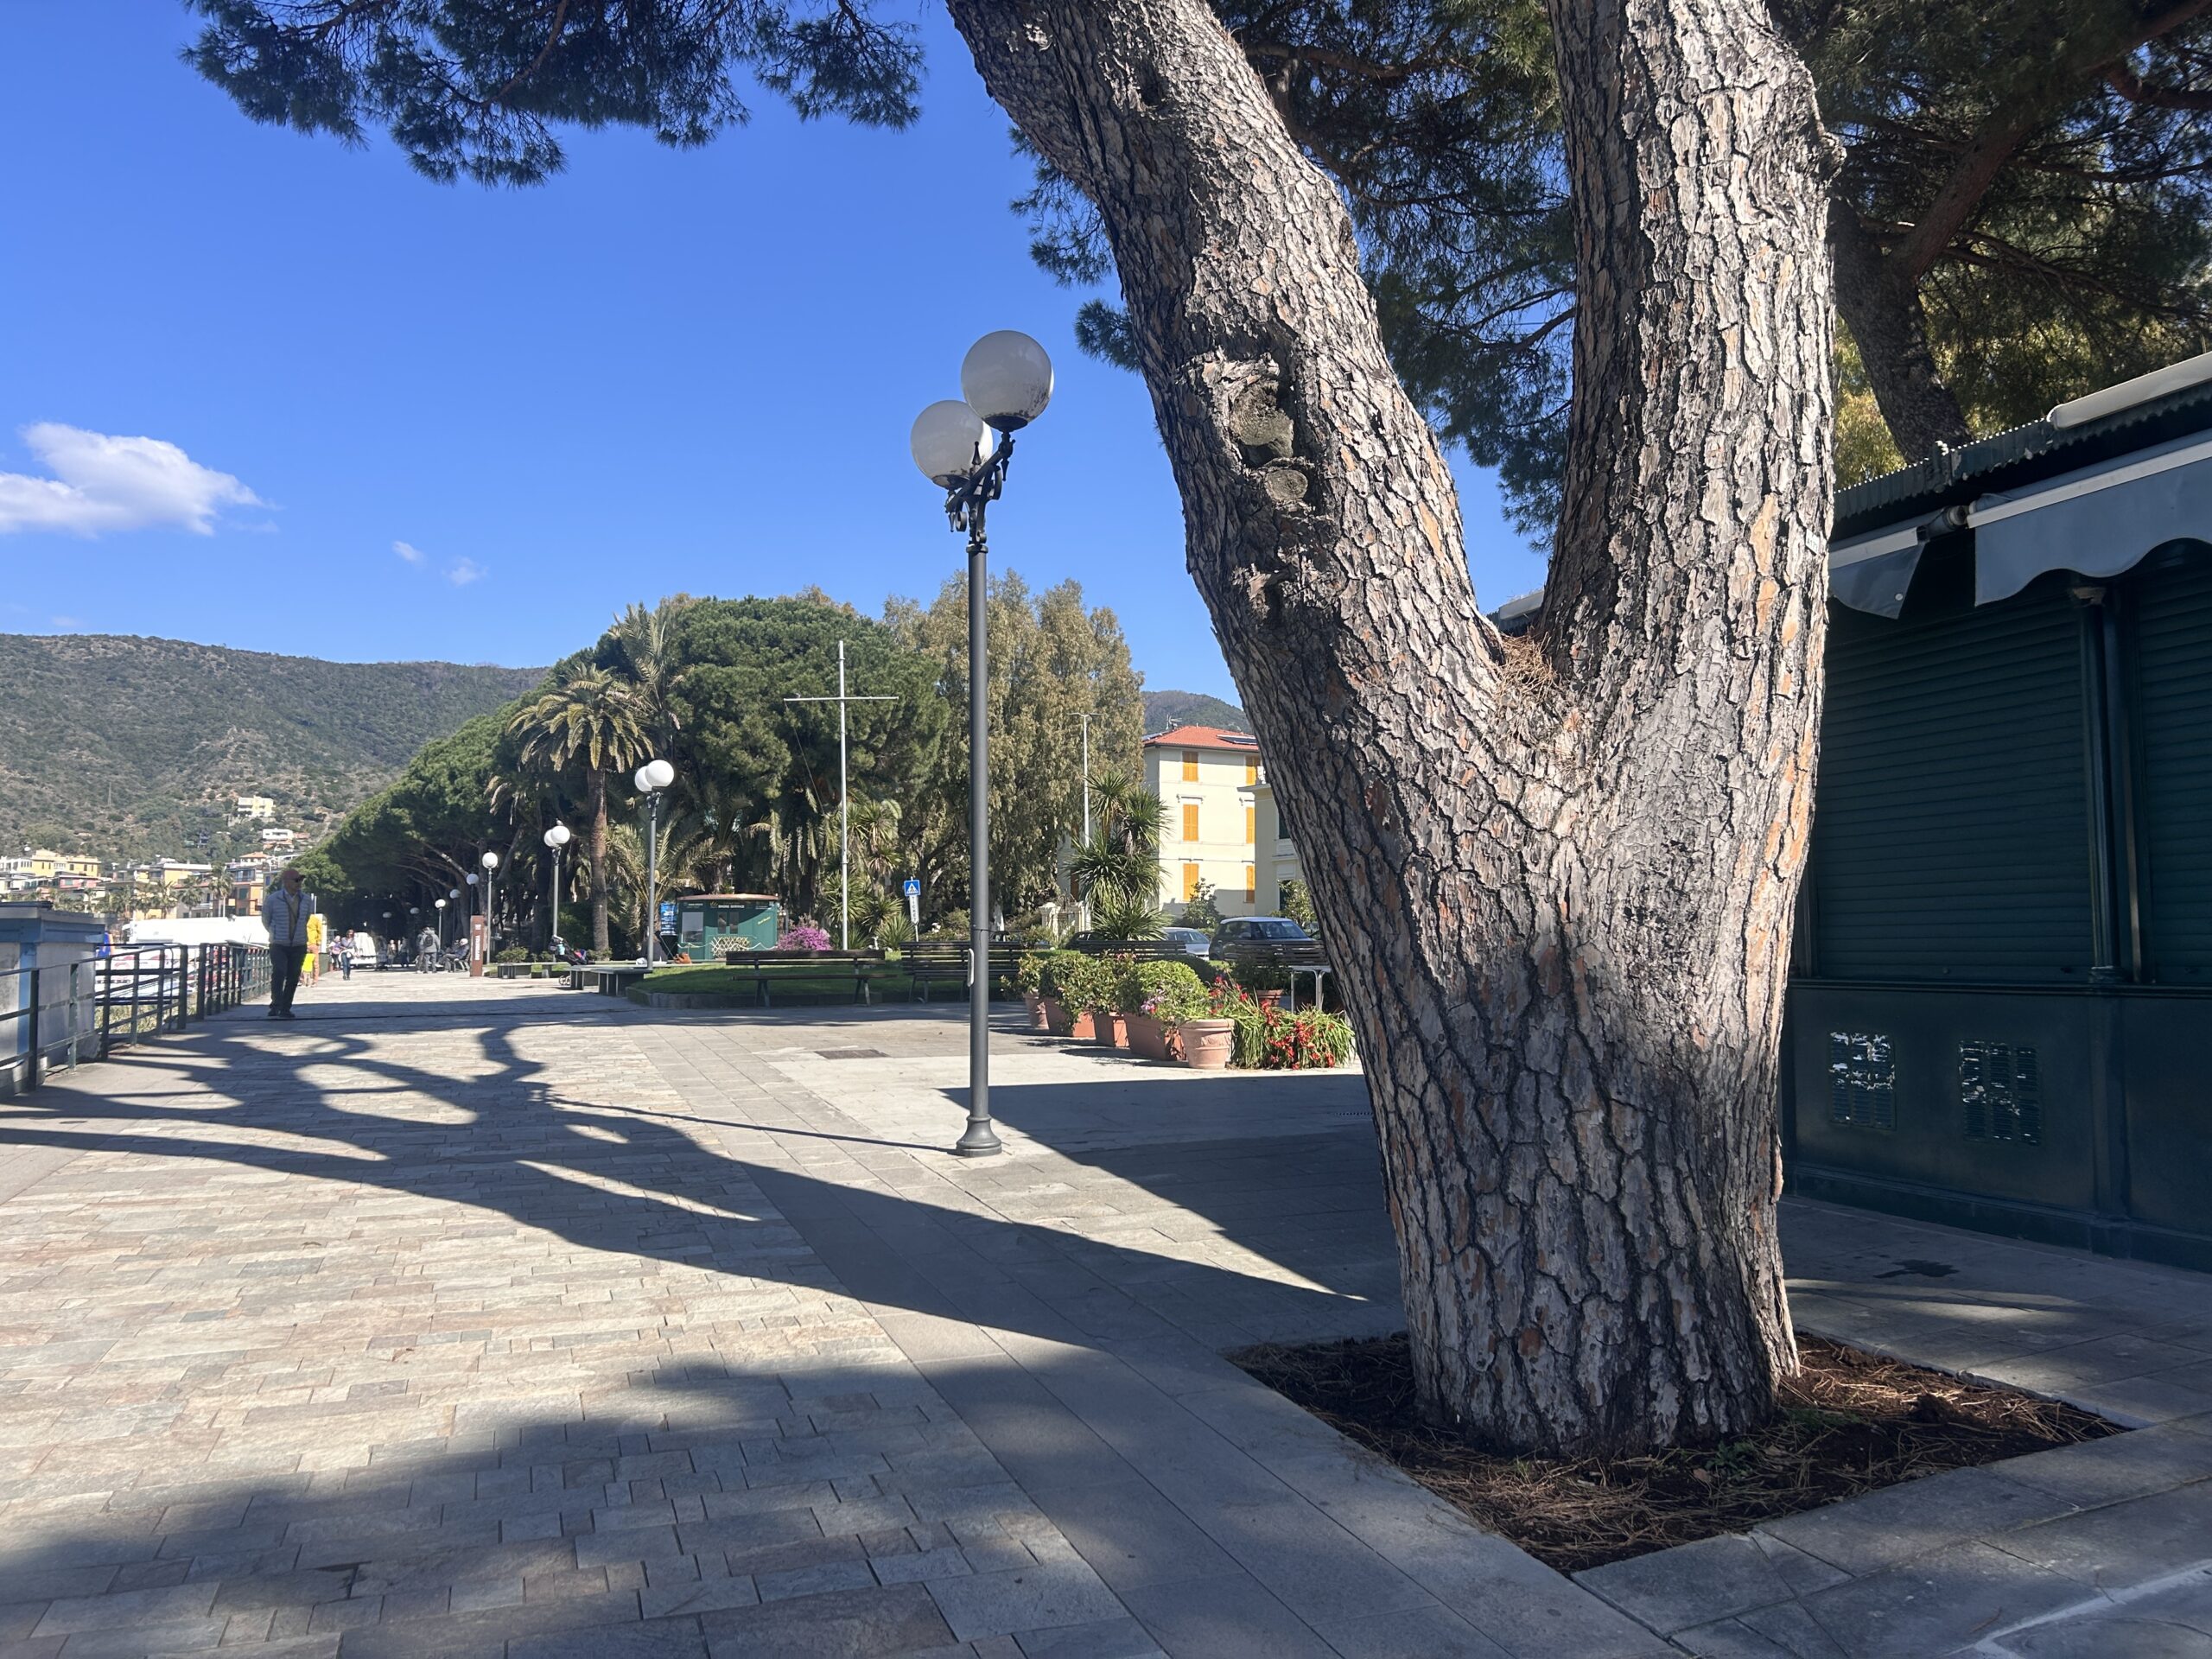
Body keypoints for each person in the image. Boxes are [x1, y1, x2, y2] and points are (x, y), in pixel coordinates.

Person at [262, 867, 315, 1020]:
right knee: (279, 972)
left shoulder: (306, 900)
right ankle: (276, 1004)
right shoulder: (273, 899)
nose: (299, 883)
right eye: (296, 880)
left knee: (293, 976)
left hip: (299, 943)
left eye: (300, 880)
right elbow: (266, 919)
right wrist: (275, 933)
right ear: (286, 882)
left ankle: (286, 1008)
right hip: (278, 943)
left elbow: (306, 918)